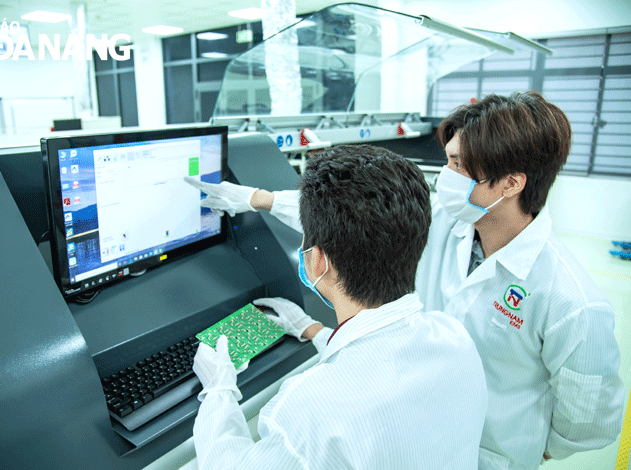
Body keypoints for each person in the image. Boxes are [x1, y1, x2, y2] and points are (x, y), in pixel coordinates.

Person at [186, 91, 625, 470]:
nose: (445, 176)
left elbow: (588, 422)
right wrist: (258, 199)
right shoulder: (452, 227)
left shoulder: (571, 300)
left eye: (457, 165)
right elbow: (357, 215)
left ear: (510, 183)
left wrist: (520, 448)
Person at [191, 144, 488, 470]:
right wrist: (315, 331)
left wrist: (218, 391)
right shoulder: (455, 337)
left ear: (317, 261)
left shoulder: (306, 410)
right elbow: (382, 359)